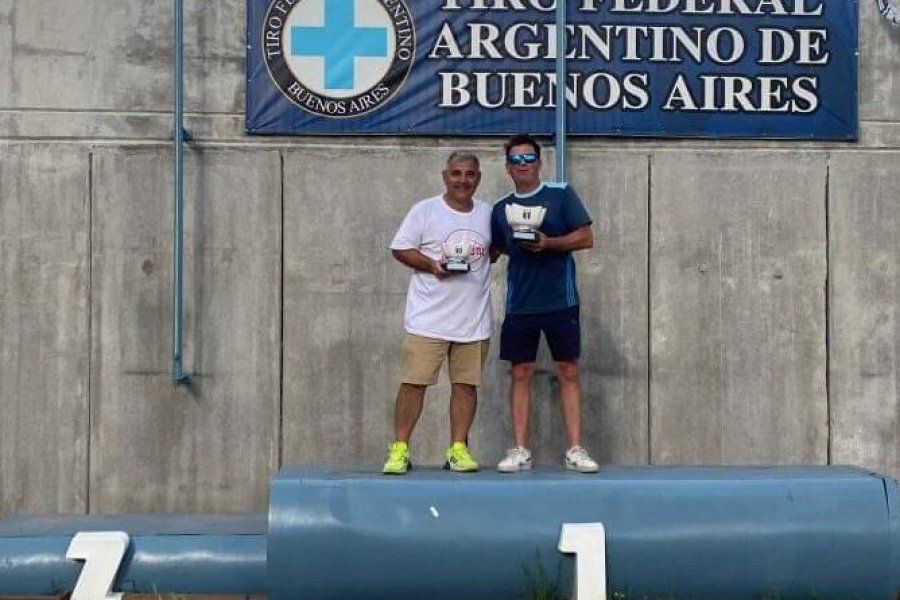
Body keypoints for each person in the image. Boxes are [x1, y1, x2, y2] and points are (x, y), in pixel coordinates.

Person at [490, 134, 599, 473]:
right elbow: (494, 250)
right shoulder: (498, 209)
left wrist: (548, 242)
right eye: (516, 161)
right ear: (508, 167)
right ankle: (520, 449)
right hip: (520, 303)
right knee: (520, 373)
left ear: (539, 163)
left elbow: (585, 237)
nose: (522, 166)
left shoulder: (560, 194)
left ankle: (575, 449)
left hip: (560, 301)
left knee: (567, 370)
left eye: (528, 159)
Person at [383, 151, 492, 475]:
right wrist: (431, 265)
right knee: (414, 383)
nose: (462, 180)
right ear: (445, 177)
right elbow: (400, 248)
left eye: (469, 174)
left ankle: (458, 448)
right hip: (428, 320)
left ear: (478, 178)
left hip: (473, 321)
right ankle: (400, 448)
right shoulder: (425, 210)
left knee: (465, 386)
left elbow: (495, 251)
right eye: (456, 173)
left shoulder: (488, 214)